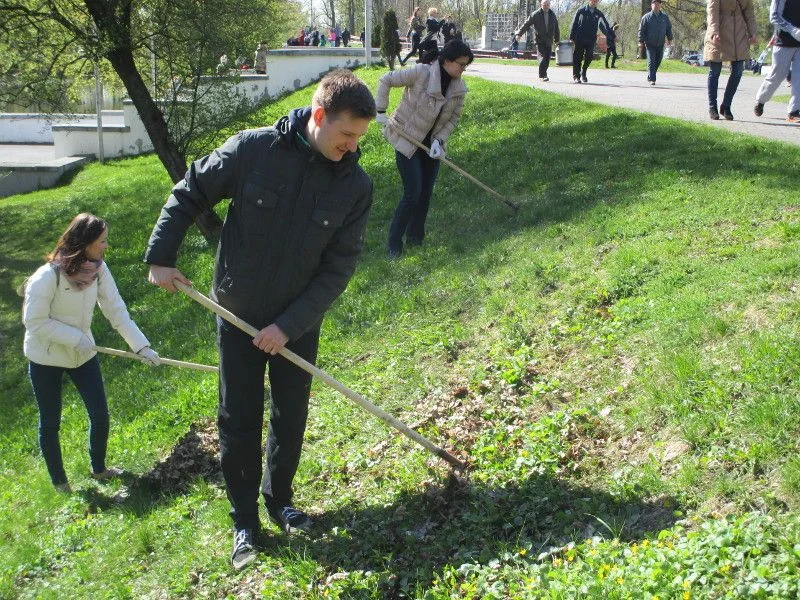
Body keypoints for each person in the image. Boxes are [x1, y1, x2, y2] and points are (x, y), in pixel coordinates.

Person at [144, 70, 376, 571]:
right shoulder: (253, 150)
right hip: (237, 315)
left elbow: (338, 269)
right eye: (346, 135)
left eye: (359, 137)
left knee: (290, 417)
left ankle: (280, 500)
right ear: (319, 116)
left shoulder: (355, 186)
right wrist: (161, 256)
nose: (353, 147)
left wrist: (289, 326)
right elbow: (189, 191)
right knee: (239, 420)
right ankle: (244, 522)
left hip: (296, 325)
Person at [22, 213, 161, 493]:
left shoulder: (99, 269)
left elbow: (116, 310)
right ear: (85, 243)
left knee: (99, 413)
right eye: (102, 241)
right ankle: (60, 484)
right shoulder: (47, 277)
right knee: (50, 421)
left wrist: (141, 346)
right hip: (45, 357)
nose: (106, 246)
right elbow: (34, 322)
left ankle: (99, 470)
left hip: (83, 354)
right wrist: (74, 337)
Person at [375, 39, 473, 258]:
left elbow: (453, 118)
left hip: (431, 148)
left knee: (425, 195)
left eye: (466, 65)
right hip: (407, 141)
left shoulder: (459, 89)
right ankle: (394, 244)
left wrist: (440, 141)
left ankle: (415, 239)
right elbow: (386, 79)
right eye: (461, 64)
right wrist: (380, 110)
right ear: (447, 60)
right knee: (413, 193)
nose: (463, 69)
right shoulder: (422, 73)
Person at [704, 0, 757, 120]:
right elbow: (712, 11)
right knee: (715, 72)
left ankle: (726, 106)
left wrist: (753, 32)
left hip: (739, 34)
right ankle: (712, 107)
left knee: (738, 72)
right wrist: (714, 32)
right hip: (719, 32)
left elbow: (749, 12)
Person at [754, 0, 800, 122]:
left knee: (799, 78)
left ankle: (794, 112)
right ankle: (761, 100)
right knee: (777, 75)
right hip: (783, 42)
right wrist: (793, 30)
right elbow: (774, 16)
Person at [516, 0, 561, 81]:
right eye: (544, 5)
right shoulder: (535, 14)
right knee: (542, 57)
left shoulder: (552, 15)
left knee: (547, 58)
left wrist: (557, 40)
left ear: (549, 5)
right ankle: (542, 75)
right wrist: (519, 34)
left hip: (549, 40)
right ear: (541, 5)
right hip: (539, 40)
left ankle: (543, 74)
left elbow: (556, 28)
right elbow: (526, 24)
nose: (546, 6)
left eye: (547, 5)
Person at [569, 0, 612, 83]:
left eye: (596, 1)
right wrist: (572, 37)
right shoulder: (581, 11)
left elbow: (604, 26)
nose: (594, 2)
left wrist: (610, 36)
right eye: (593, 1)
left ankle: (583, 71)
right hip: (580, 38)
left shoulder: (599, 13)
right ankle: (576, 76)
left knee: (589, 56)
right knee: (578, 57)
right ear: (589, 1)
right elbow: (575, 24)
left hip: (591, 39)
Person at [638, 0, 673, 85]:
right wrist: (640, 41)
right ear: (651, 5)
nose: (656, 5)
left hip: (660, 44)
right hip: (649, 44)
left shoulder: (664, 17)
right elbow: (641, 30)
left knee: (658, 61)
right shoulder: (646, 17)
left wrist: (670, 39)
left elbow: (668, 28)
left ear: (660, 5)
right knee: (651, 61)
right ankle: (652, 79)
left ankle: (650, 75)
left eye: (658, 4)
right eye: (654, 4)